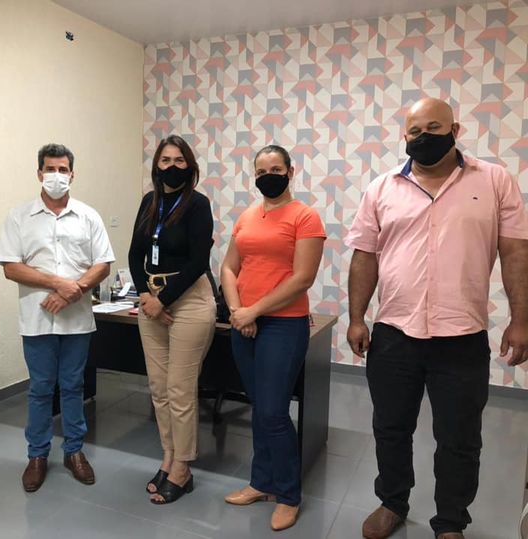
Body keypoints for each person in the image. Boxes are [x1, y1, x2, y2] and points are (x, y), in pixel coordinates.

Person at [345, 97, 528, 539]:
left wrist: (521, 319)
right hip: (394, 333)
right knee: (390, 428)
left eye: (434, 127)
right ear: (404, 135)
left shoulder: (494, 181)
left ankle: (450, 521)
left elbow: (515, 252)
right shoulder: (382, 188)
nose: (423, 137)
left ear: (455, 130)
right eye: (415, 130)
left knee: (460, 438)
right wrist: (356, 318)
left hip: (461, 336)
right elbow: (365, 256)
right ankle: (392, 502)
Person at [0, 143, 114, 493]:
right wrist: (57, 283)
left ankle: (74, 451)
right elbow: (11, 267)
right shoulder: (19, 217)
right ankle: (37, 455)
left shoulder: (88, 216)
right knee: (41, 388)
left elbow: (103, 264)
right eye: (50, 169)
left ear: (72, 175)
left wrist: (72, 290)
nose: (56, 176)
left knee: (74, 386)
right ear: (39, 173)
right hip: (36, 319)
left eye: (63, 170)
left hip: (77, 320)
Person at [220, 145, 325, 531]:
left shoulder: (305, 216)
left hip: (283, 325)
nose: (269, 176)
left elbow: (302, 278)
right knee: (259, 406)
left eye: (276, 169)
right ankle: (261, 482)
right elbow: (228, 268)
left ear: (290, 172)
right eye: (262, 171)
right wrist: (238, 311)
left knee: (274, 412)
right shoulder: (248, 216)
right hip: (244, 323)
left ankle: (288, 495)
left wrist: (255, 311)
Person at [127, 134, 216, 504]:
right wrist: (146, 296)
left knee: (180, 390)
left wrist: (162, 300)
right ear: (156, 166)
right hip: (151, 299)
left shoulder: (198, 204)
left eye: (180, 160)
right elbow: (134, 254)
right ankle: (168, 457)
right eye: (166, 160)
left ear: (190, 166)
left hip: (189, 300)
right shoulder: (149, 202)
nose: (172, 166)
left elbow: (198, 261)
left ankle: (183, 466)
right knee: (159, 388)